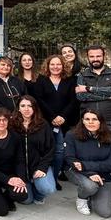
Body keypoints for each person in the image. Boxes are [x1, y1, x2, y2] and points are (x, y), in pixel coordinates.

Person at [33, 54, 78, 189]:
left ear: (63, 65)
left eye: (58, 64)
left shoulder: (70, 80)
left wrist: (62, 116)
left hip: (63, 122)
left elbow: (73, 100)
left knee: (59, 151)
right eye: (52, 64)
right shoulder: (41, 80)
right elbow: (39, 100)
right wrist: (52, 117)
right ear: (47, 66)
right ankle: (42, 176)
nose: (55, 67)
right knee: (44, 151)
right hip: (45, 121)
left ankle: (54, 177)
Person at [64, 109, 111, 217]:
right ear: (82, 121)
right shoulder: (71, 135)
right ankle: (82, 198)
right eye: (87, 119)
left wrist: (86, 165)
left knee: (105, 212)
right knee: (90, 186)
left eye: (94, 119)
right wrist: (90, 173)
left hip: (103, 174)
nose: (90, 122)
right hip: (77, 171)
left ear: (101, 121)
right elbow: (70, 159)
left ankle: (93, 194)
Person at [76, 46, 111, 145]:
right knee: (90, 153)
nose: (95, 59)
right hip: (89, 122)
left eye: (98, 56)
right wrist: (108, 94)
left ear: (104, 56)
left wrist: (89, 89)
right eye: (92, 56)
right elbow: (81, 96)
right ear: (88, 58)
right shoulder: (82, 75)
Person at [11, 96, 56, 205]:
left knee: (48, 189)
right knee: (26, 200)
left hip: (38, 165)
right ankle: (29, 185)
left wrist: (42, 168)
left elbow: (50, 148)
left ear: (35, 108)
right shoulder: (12, 124)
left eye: (30, 106)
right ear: (18, 108)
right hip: (19, 169)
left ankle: (38, 194)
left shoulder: (43, 124)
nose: (26, 109)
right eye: (23, 106)